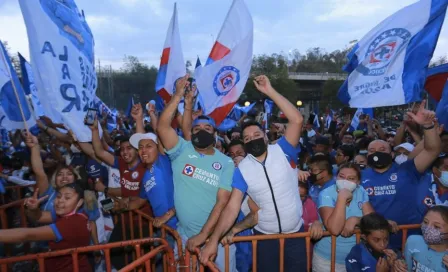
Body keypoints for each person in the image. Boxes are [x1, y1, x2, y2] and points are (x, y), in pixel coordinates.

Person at [200, 75, 307, 271]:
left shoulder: (283, 150)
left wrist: (269, 91)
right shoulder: (242, 169)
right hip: (264, 238)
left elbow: (297, 119)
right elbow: (232, 207)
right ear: (244, 143)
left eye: (257, 135)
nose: (253, 139)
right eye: (247, 138)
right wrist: (214, 240)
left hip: (296, 236)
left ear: (266, 136)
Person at [157, 74, 235, 271]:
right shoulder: (181, 150)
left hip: (217, 237)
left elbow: (222, 202)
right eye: (197, 127)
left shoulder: (226, 162)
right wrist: (178, 96)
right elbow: (163, 126)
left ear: (215, 134)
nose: (202, 131)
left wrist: (205, 235)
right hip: (184, 236)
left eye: (207, 128)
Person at [361, 101, 441, 250]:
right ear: (367, 156)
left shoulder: (408, 169)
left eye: (382, 149)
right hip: (375, 246)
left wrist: (428, 126)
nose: (377, 153)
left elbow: (432, 150)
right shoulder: (358, 177)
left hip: (410, 242)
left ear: (392, 154)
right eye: (372, 151)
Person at [0, 183, 91, 272]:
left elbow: (27, 235)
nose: (60, 200)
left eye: (67, 198)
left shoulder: (72, 223)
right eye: (58, 196)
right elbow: (39, 217)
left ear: (80, 202)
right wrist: (33, 209)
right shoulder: (76, 215)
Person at [313, 163, 375, 271]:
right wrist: (341, 198)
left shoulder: (361, 191)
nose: (345, 181)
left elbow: (373, 222)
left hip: (356, 257)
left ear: (358, 182)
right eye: (341, 176)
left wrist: (355, 220)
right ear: (336, 177)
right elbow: (335, 229)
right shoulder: (326, 194)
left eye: (351, 178)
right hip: (328, 259)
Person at [394, 206, 448, 272]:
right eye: (425, 222)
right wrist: (398, 263)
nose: (428, 228)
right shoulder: (413, 241)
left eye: (436, 226)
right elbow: (406, 267)